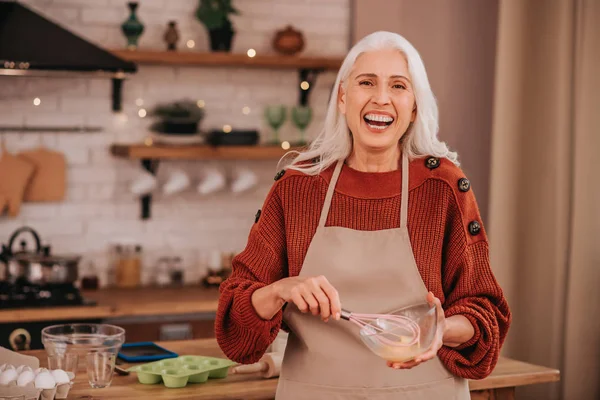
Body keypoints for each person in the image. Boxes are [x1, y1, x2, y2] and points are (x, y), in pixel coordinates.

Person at [215, 31, 511, 400]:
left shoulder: (444, 187)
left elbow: (485, 313)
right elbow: (235, 325)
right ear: (342, 97)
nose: (381, 98)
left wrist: (440, 330)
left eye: (398, 86)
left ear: (414, 107)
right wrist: (279, 290)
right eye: (366, 82)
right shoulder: (296, 187)